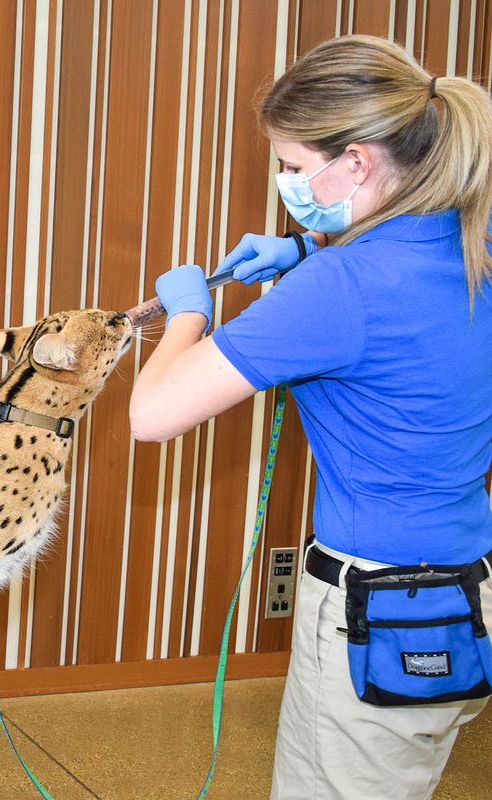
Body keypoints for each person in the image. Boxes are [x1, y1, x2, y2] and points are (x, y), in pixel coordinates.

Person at [129, 36, 492, 799]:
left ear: (357, 162)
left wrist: (191, 312)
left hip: (374, 609)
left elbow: (154, 415)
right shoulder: (473, 241)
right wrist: (303, 253)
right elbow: (401, 304)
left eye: (293, 168)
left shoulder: (341, 289)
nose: (287, 183)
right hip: (469, 592)